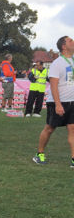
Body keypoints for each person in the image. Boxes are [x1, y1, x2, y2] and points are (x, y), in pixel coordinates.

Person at [33, 36, 74, 166]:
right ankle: (39, 154)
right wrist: (58, 104)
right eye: (70, 41)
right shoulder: (57, 63)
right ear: (63, 46)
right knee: (50, 128)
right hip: (57, 102)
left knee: (72, 128)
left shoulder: (73, 60)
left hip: (72, 102)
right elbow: (53, 85)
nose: (73, 42)